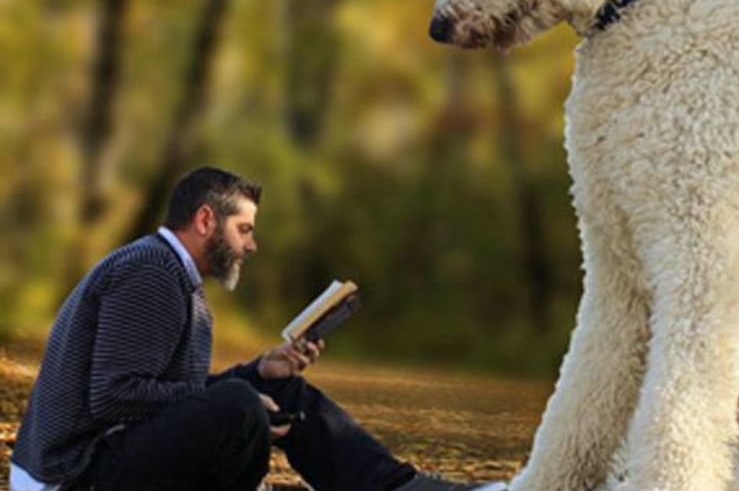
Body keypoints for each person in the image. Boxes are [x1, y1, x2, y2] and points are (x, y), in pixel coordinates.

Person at [11, 168, 505, 491]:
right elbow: (114, 397)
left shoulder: (178, 280)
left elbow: (167, 397)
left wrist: (257, 372)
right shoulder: (151, 271)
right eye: (244, 229)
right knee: (240, 405)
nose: (252, 245)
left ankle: (395, 487)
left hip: (110, 454)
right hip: (72, 473)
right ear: (206, 220)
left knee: (278, 386)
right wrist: (239, 402)